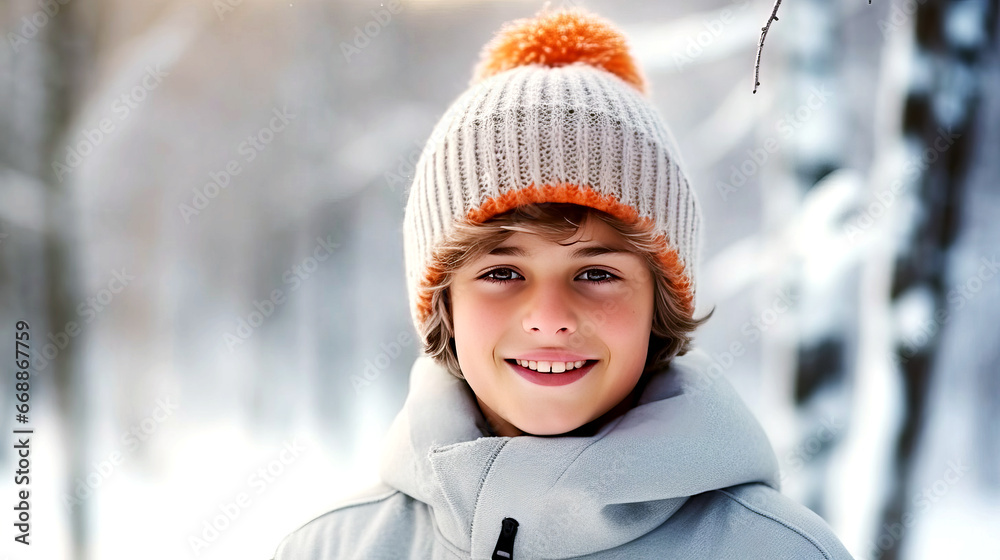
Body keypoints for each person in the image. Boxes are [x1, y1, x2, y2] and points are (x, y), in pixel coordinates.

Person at [272, 7, 855, 559]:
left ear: (661, 302)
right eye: (502, 272)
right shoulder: (333, 547)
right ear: (443, 301)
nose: (549, 316)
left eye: (597, 273)